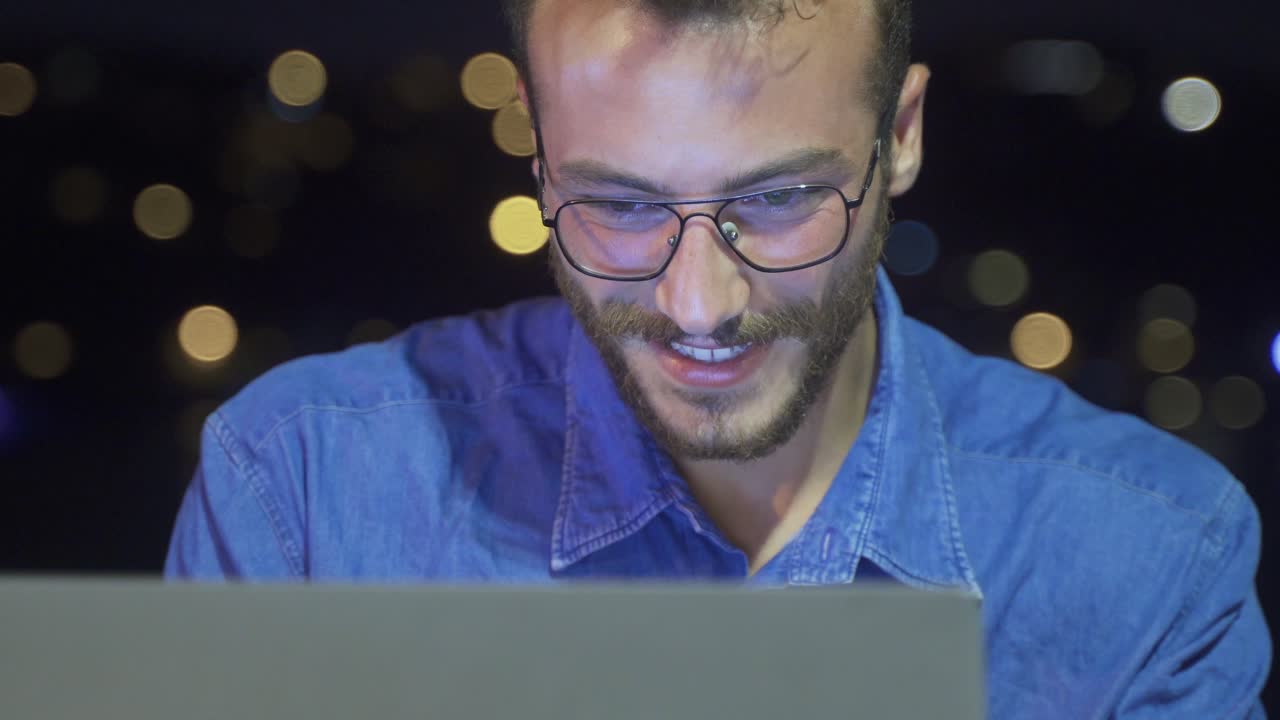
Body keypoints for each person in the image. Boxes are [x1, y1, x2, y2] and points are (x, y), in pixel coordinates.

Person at [165, 0, 1270, 715]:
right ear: (537, 151)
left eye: (780, 199)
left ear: (900, 134)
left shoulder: (1145, 568)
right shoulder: (303, 494)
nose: (698, 303)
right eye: (615, 205)